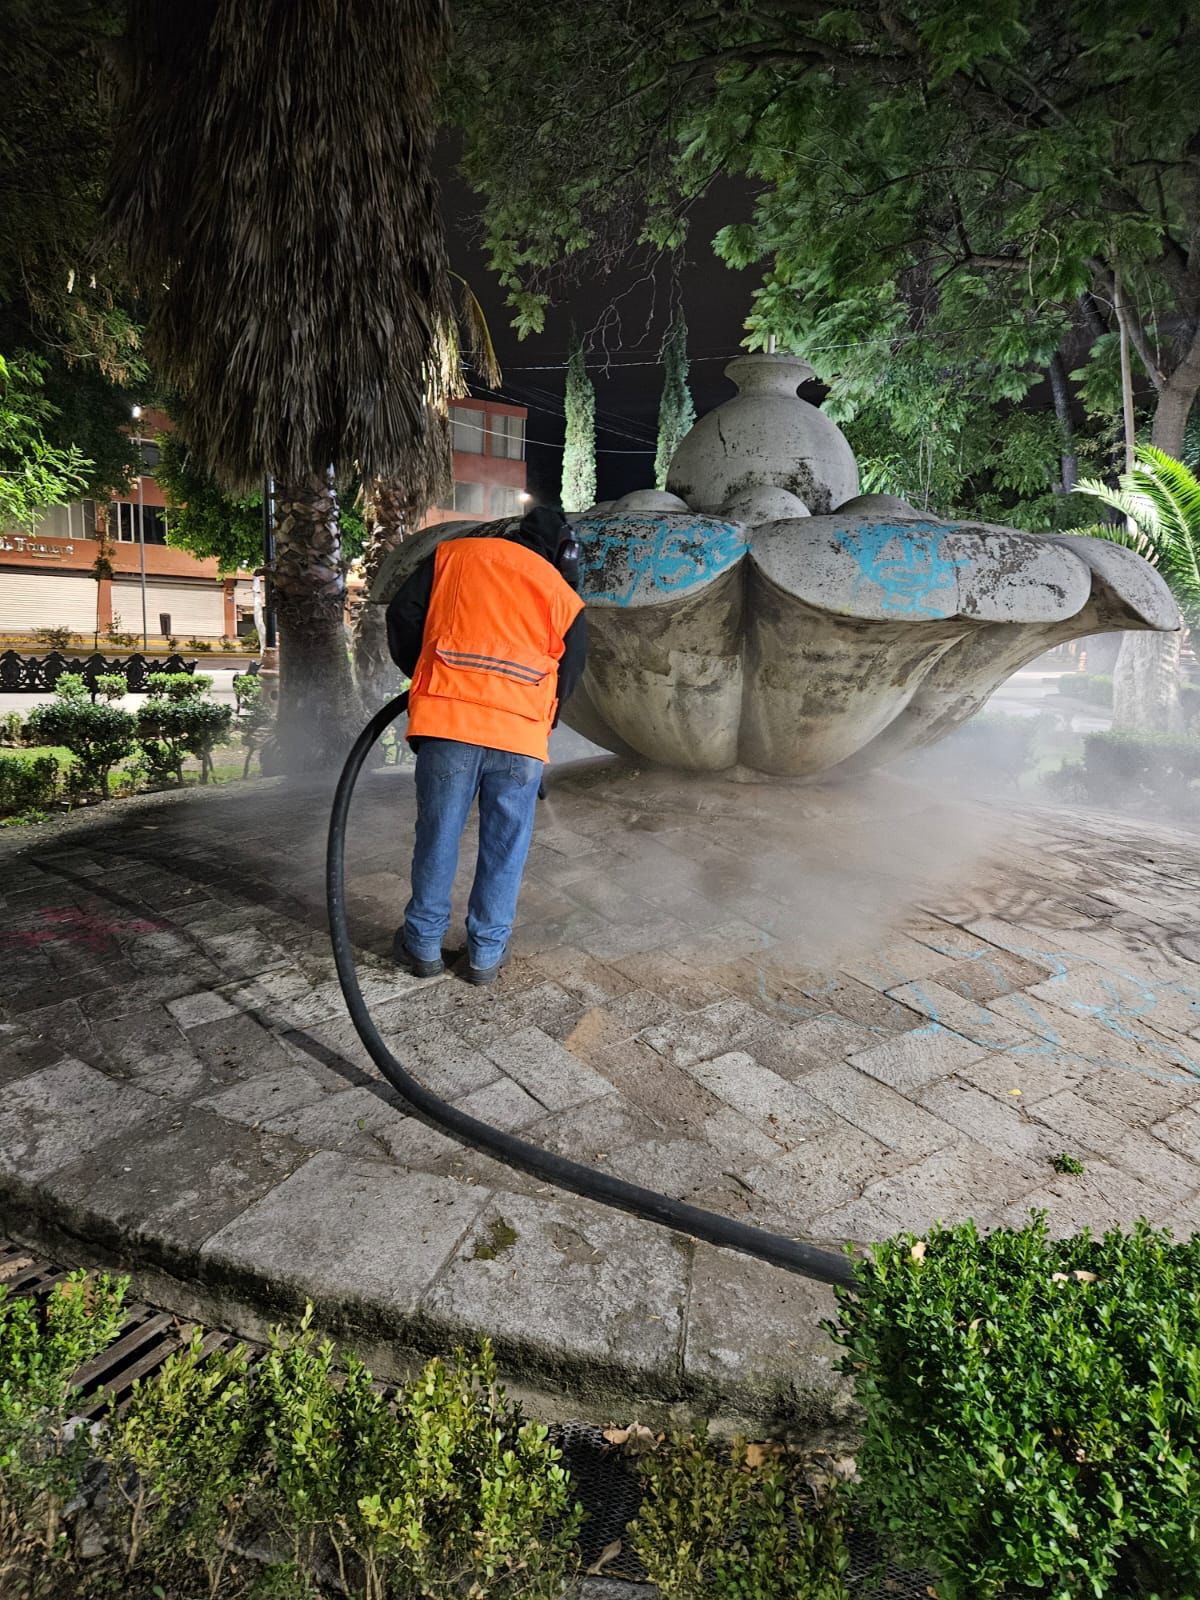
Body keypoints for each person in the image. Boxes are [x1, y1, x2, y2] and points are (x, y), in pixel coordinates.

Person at [385, 505, 587, 985]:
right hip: (518, 739)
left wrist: (428, 672)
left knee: (437, 836)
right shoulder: (562, 594)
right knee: (505, 847)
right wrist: (539, 723)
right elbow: (571, 671)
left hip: (449, 723)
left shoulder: (454, 556)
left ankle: (423, 946)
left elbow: (403, 614)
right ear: (565, 551)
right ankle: (484, 956)